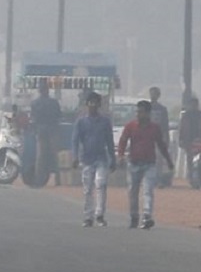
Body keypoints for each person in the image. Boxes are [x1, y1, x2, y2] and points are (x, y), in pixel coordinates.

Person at [117, 100, 173, 230]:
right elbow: (123, 141)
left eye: (140, 112)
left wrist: (168, 161)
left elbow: (161, 145)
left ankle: (147, 216)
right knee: (133, 192)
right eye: (137, 112)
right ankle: (134, 216)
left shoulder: (154, 128)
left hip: (149, 164)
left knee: (148, 190)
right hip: (133, 163)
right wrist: (120, 156)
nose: (138, 114)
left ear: (148, 113)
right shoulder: (130, 126)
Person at [71, 91, 116, 227]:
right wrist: (75, 156)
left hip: (101, 158)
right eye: (90, 103)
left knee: (101, 184)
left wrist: (112, 159)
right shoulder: (81, 122)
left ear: (99, 105)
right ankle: (88, 216)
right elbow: (75, 140)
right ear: (87, 105)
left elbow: (109, 141)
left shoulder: (105, 122)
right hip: (87, 159)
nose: (93, 106)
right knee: (87, 189)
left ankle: (100, 214)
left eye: (95, 103)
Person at [29, 82, 63, 186]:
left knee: (40, 156)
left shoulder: (34, 103)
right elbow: (59, 116)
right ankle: (59, 179)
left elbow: (33, 118)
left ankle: (39, 180)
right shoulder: (54, 102)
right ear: (48, 91)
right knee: (56, 156)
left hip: (41, 131)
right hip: (53, 130)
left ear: (40, 91)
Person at [177, 95, 201, 184]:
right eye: (192, 104)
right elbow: (182, 128)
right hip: (188, 140)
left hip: (200, 139)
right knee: (190, 158)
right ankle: (191, 176)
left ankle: (199, 176)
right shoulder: (185, 115)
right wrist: (180, 139)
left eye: (195, 104)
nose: (193, 106)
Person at [147, 86, 173, 185]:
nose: (153, 96)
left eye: (155, 94)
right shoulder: (146, 107)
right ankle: (149, 178)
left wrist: (166, 137)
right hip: (147, 136)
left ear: (158, 96)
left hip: (158, 136)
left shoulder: (162, 109)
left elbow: (165, 125)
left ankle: (158, 178)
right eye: (151, 93)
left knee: (158, 158)